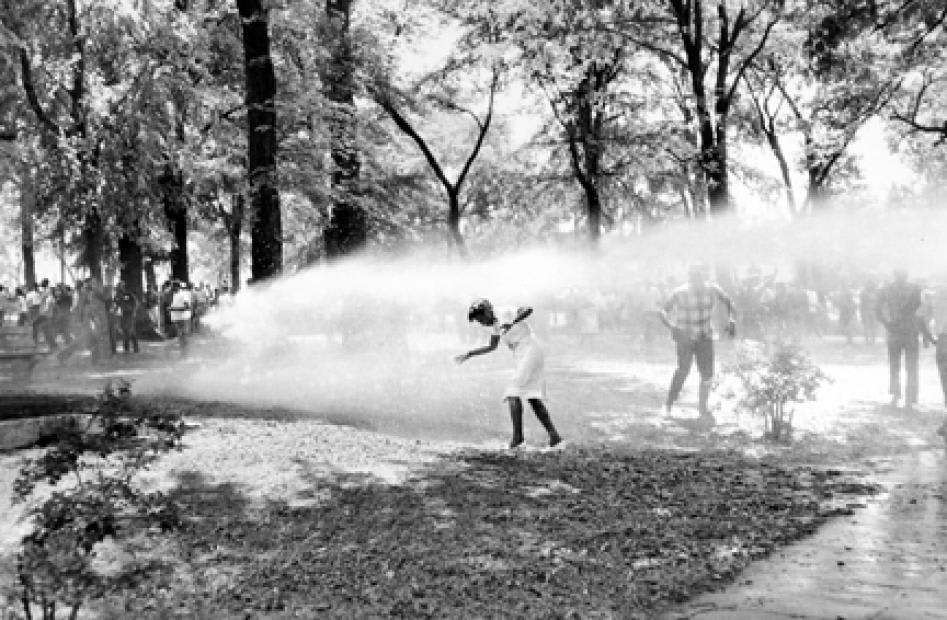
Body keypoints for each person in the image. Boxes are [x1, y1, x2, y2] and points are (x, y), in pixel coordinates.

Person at [455, 299, 562, 448]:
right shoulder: (494, 326)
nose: (481, 322)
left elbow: (528, 308)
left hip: (530, 348)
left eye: (481, 318)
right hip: (520, 353)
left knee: (513, 392)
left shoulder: (504, 312)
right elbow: (492, 346)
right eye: (478, 321)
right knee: (532, 397)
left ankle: (518, 439)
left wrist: (513, 321)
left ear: (487, 311)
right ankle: (554, 436)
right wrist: (470, 353)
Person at [659, 264, 736, 420]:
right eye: (694, 277)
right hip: (685, 336)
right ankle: (669, 404)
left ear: (704, 277)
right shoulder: (680, 292)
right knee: (683, 370)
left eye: (700, 276)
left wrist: (731, 320)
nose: (698, 280)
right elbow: (662, 311)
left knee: (707, 373)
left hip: (705, 336)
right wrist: (671, 327)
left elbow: (728, 301)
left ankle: (702, 407)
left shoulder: (713, 289)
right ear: (690, 278)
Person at [876, 269, 923, 410]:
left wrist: (887, 323)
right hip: (908, 330)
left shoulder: (887, 289)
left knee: (897, 365)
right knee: (910, 366)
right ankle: (908, 397)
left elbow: (877, 309)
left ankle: (898, 395)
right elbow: (917, 308)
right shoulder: (914, 289)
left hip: (896, 330)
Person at [113, 281, 140, 353]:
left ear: (123, 287)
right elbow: (117, 304)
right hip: (123, 314)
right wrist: (114, 312)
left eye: (121, 286)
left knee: (130, 331)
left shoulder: (128, 294)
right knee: (125, 331)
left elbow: (135, 303)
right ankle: (126, 349)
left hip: (130, 314)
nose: (119, 288)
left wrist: (134, 312)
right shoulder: (117, 295)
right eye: (119, 287)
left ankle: (135, 348)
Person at [169, 281, 192, 351]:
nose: (171, 288)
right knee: (180, 336)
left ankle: (185, 353)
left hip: (183, 318)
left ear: (177, 287)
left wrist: (173, 309)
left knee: (184, 335)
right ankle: (183, 352)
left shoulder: (183, 294)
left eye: (173, 286)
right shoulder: (175, 294)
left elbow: (187, 307)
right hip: (177, 318)